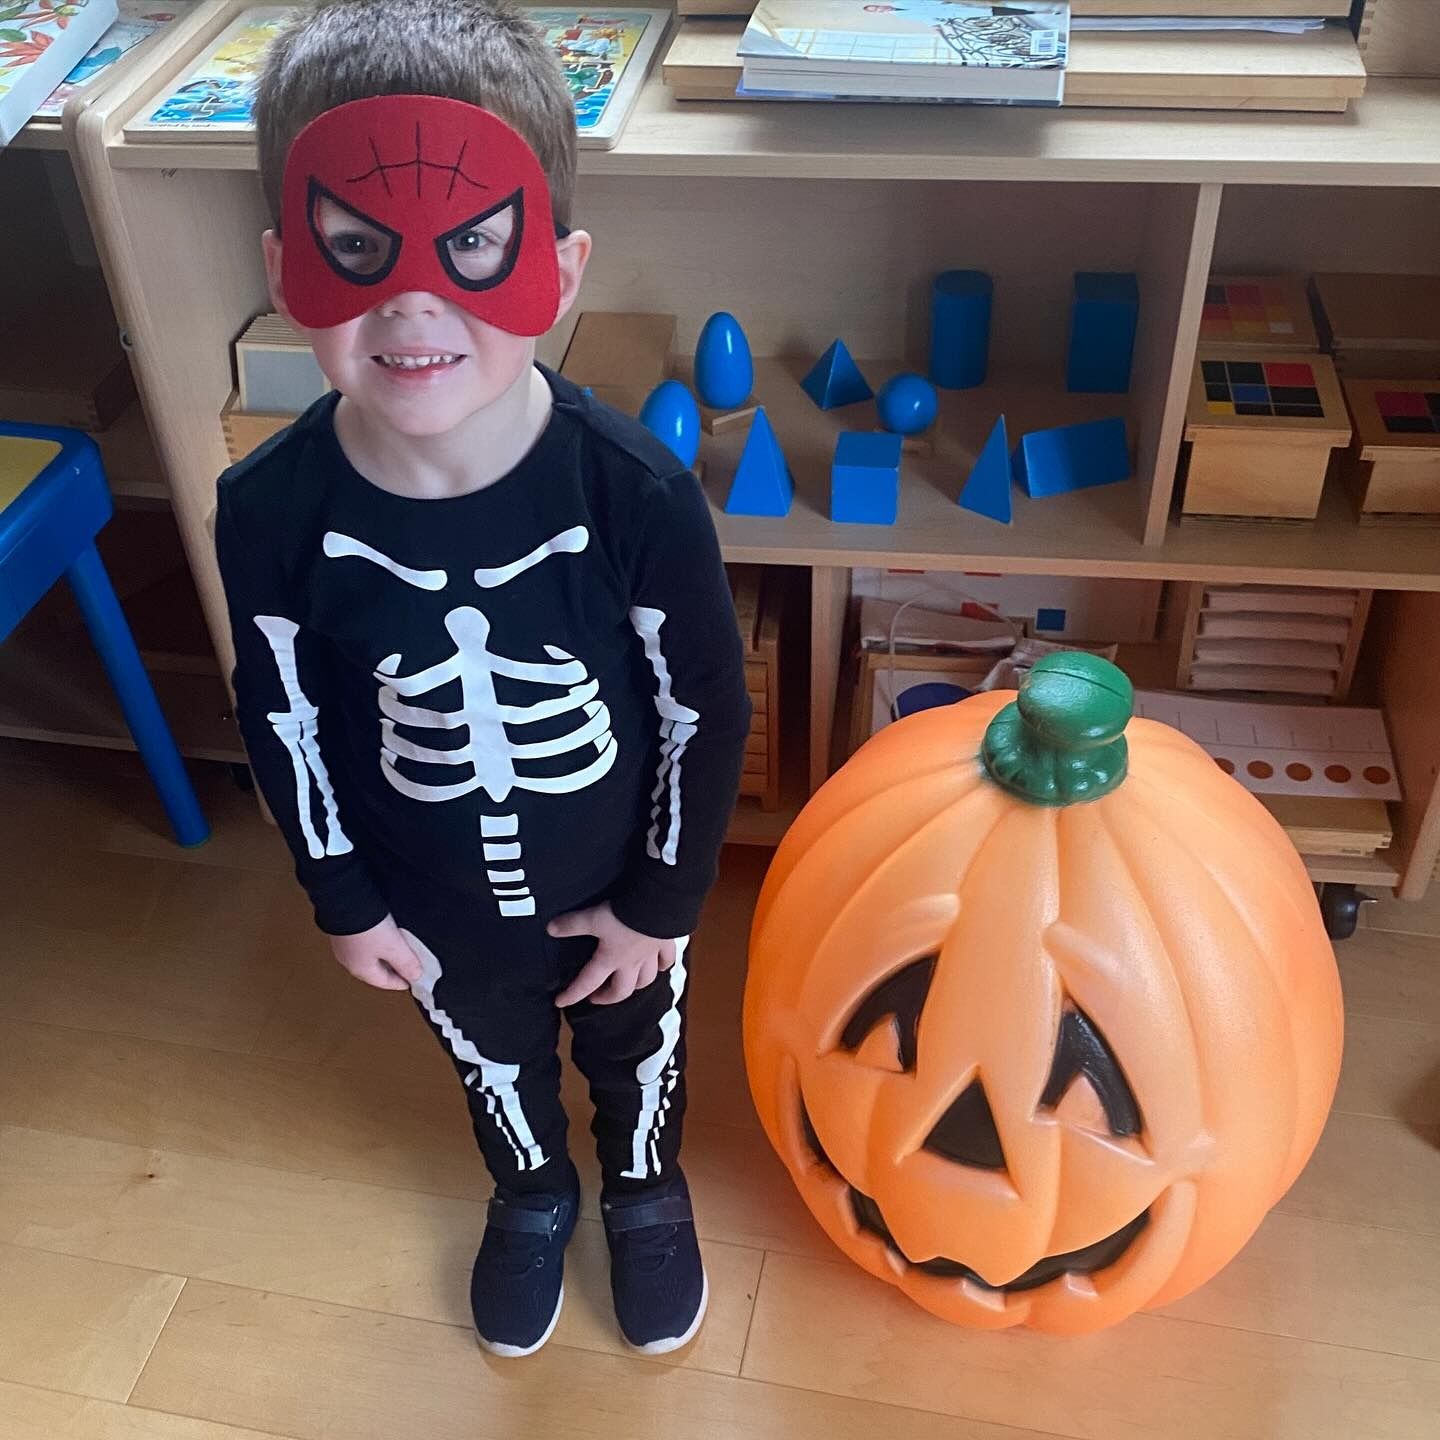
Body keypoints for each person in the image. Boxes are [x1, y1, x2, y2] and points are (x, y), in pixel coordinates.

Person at [214, 0, 750, 1359]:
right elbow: (280, 716)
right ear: (284, 267)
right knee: (488, 1059)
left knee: (641, 1049)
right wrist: (343, 900)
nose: (412, 302)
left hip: (618, 883)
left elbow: (704, 706)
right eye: (353, 250)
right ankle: (532, 1190)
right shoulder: (271, 507)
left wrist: (660, 904)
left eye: (472, 250)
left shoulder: (633, 492)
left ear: (558, 274)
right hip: (432, 900)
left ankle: (642, 1187)